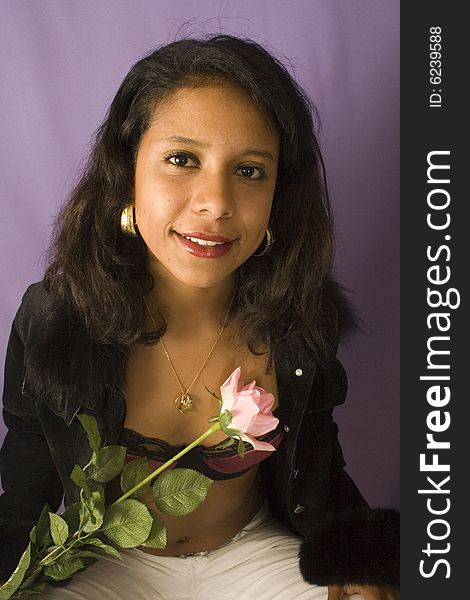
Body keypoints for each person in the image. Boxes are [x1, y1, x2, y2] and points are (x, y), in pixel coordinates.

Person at [0, 35, 399, 599]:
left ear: (278, 193)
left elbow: (321, 472)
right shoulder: (55, 318)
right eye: (182, 159)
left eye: (251, 171)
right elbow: (26, 478)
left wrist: (362, 565)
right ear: (127, 170)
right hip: (104, 563)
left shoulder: (297, 320)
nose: (216, 203)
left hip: (255, 554)